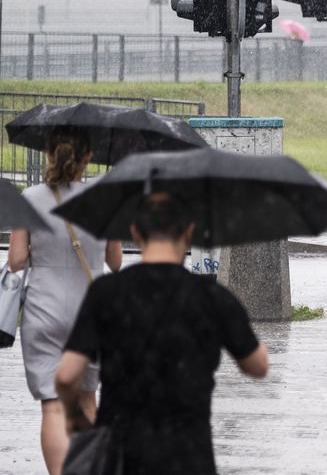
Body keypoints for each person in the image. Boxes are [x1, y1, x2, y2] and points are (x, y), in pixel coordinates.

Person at [55, 192, 269, 474]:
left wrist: (73, 416)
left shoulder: (106, 292)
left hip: (121, 457)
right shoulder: (210, 296)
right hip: (190, 457)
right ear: (189, 231)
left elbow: (66, 375)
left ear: (134, 231)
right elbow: (258, 366)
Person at [7, 126, 122, 475]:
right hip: (90, 312)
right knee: (87, 398)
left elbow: (15, 260)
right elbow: (115, 262)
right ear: (87, 157)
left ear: (49, 154)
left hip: (43, 311)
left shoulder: (29, 198)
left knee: (53, 406)